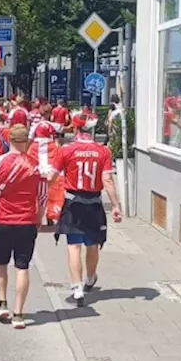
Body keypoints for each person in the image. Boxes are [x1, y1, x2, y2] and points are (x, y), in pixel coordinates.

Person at [0, 125, 46, 330]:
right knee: (22, 267)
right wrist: (39, 218)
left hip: (3, 221)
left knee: (1, 263)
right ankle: (19, 314)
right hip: (27, 222)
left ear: (9, 140)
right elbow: (42, 197)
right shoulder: (36, 166)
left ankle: (2, 303)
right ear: (27, 142)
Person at [54, 114, 123, 307]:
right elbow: (107, 180)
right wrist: (116, 205)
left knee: (73, 245)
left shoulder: (66, 150)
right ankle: (90, 278)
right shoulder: (102, 151)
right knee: (92, 244)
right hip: (94, 202)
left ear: (75, 129)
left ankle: (76, 288)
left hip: (72, 202)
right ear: (92, 129)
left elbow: (53, 176)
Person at [30, 121, 65, 227]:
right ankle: (51, 215)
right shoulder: (54, 146)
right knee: (52, 194)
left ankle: (36, 217)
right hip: (51, 174)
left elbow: (29, 160)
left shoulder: (33, 146)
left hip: (37, 175)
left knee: (36, 195)